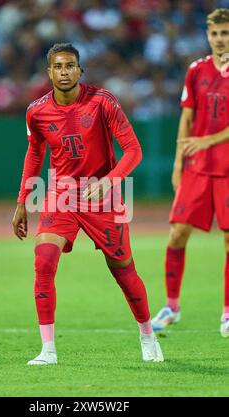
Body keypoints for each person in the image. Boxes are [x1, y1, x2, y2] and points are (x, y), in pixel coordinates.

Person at [12, 43, 164, 365]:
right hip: (61, 195)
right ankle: (48, 350)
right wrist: (22, 201)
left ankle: (147, 334)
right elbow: (35, 153)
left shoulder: (102, 101)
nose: (64, 72)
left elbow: (133, 151)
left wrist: (109, 181)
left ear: (80, 70)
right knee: (44, 261)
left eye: (70, 66)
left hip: (104, 197)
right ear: (49, 72)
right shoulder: (36, 111)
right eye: (58, 66)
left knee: (123, 270)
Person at [152, 9, 229, 337]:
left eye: (225, 33)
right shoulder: (196, 70)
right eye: (215, 33)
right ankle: (171, 306)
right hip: (196, 167)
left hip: (227, 169)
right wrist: (178, 161)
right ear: (207, 34)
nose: (219, 39)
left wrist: (208, 140)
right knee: (177, 234)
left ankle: (227, 312)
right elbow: (187, 115)